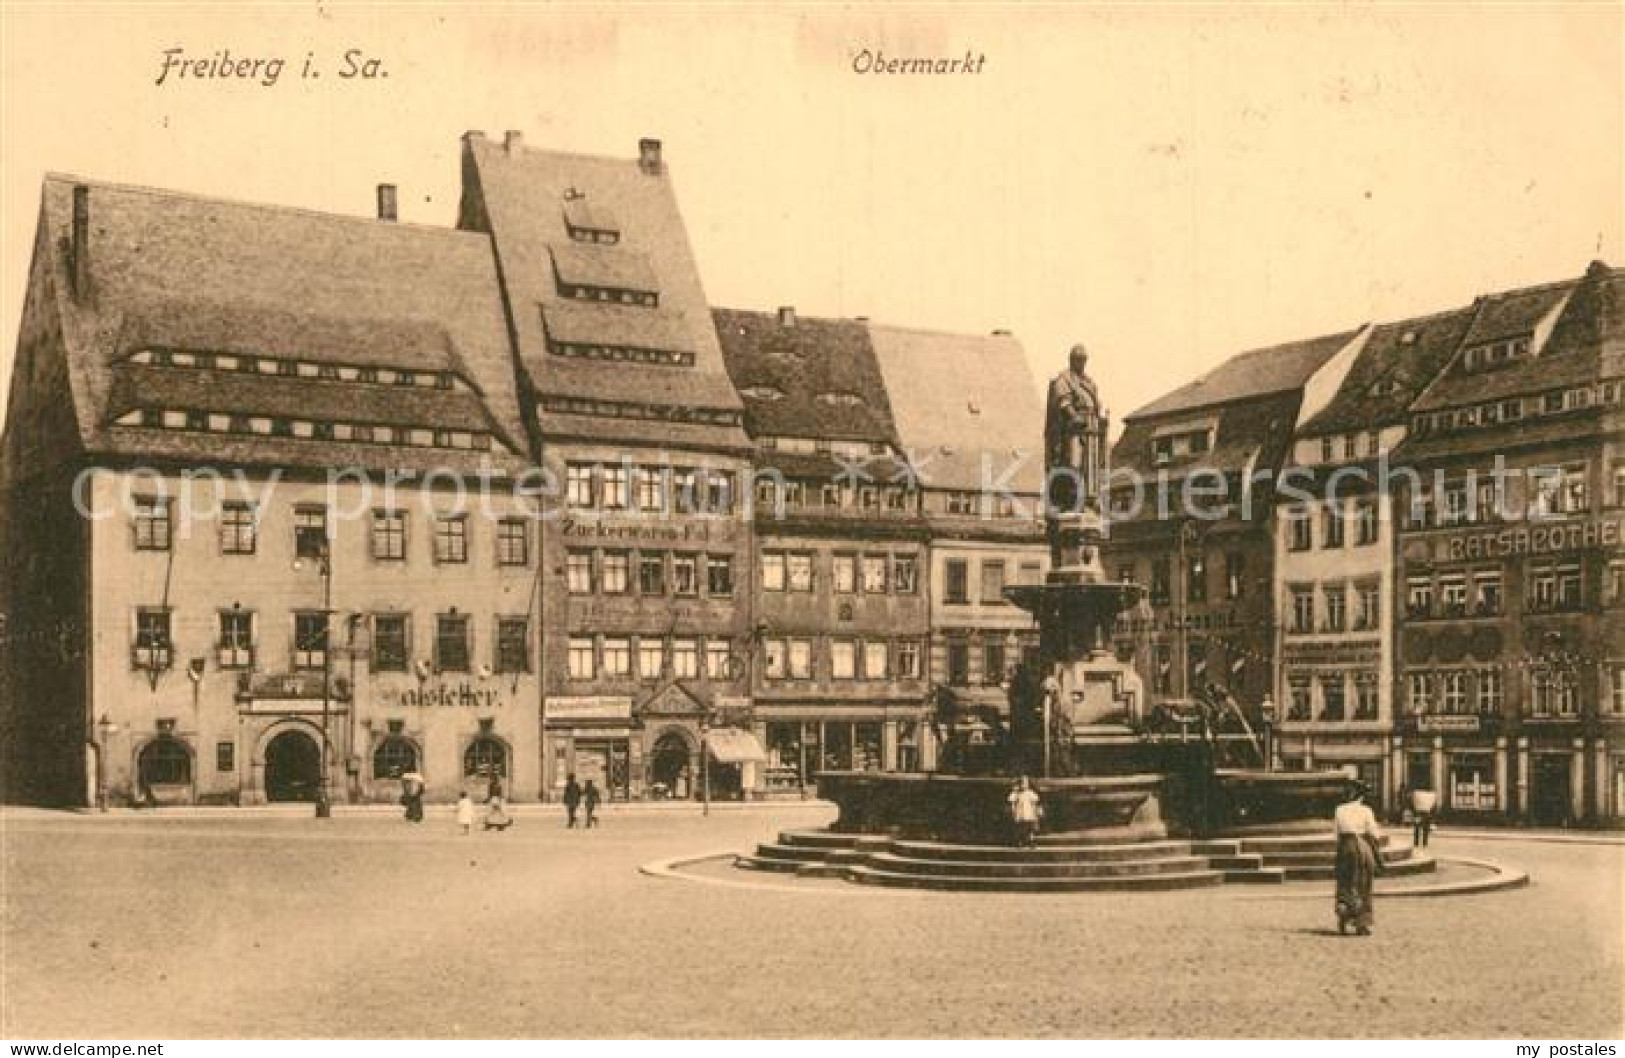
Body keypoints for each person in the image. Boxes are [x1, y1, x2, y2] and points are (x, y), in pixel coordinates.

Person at [1333, 781, 1383, 936]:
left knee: (1345, 883)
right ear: (1362, 797)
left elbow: (1336, 833)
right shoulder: (1366, 811)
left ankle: (1343, 919)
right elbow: (1374, 833)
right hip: (1363, 846)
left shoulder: (1339, 809)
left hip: (1345, 846)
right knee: (1364, 884)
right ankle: (1361, 924)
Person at [1007, 776, 1042, 848]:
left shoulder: (1030, 793)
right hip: (1020, 813)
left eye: (1025, 783)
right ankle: (1020, 842)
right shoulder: (1017, 794)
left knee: (1030, 828)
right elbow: (1012, 802)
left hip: (1029, 813)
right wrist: (1013, 811)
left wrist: (1036, 812)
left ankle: (1031, 841)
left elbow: (1034, 803)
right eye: (1022, 783)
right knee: (1020, 828)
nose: (1023, 785)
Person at [1409, 783, 1437, 848]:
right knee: (1425, 829)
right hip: (1427, 813)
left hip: (1418, 813)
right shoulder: (1432, 795)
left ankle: (1416, 843)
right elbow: (1434, 806)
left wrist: (1413, 812)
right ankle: (1425, 843)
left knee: (1417, 829)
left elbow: (1411, 804)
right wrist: (1432, 815)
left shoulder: (1415, 793)